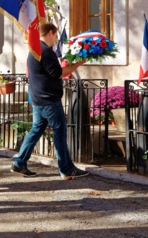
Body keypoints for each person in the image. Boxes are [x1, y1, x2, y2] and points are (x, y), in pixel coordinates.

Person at [11, 23, 89, 179]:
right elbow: (58, 73)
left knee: (36, 130)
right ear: (50, 33)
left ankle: (20, 162)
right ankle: (66, 169)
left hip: (38, 98)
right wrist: (80, 62)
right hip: (48, 100)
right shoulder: (45, 51)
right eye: (56, 35)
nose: (56, 39)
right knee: (60, 132)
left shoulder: (35, 50)